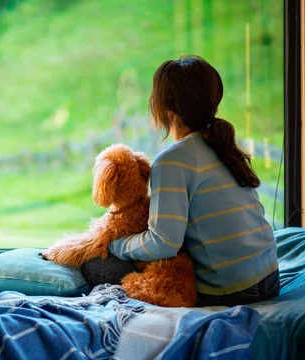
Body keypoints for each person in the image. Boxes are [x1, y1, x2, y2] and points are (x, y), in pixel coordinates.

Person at [81, 55, 280, 307]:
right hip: (271, 277)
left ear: (166, 109)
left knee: (96, 266)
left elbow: (163, 244)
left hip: (236, 290)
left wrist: (115, 244)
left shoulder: (172, 161)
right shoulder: (222, 144)